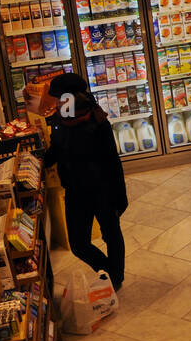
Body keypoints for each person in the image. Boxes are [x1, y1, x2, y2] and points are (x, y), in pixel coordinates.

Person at [43, 73, 128, 289]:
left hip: (103, 189)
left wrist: (120, 195)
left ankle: (115, 279)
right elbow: (57, 149)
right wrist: (40, 160)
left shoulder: (97, 122)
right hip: (75, 190)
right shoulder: (60, 120)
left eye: (59, 98)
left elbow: (112, 160)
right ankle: (110, 272)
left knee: (111, 234)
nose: (56, 103)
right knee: (79, 244)